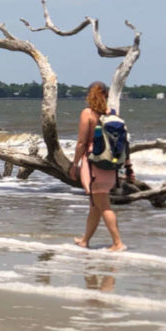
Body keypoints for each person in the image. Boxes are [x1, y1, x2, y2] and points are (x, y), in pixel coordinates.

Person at [69, 81, 134, 252]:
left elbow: (82, 142)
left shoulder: (88, 114)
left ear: (89, 95)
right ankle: (85, 240)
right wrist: (128, 167)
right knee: (95, 205)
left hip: (93, 164)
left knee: (103, 205)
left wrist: (74, 164)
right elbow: (124, 143)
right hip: (110, 166)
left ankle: (118, 243)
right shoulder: (112, 115)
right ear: (105, 95)